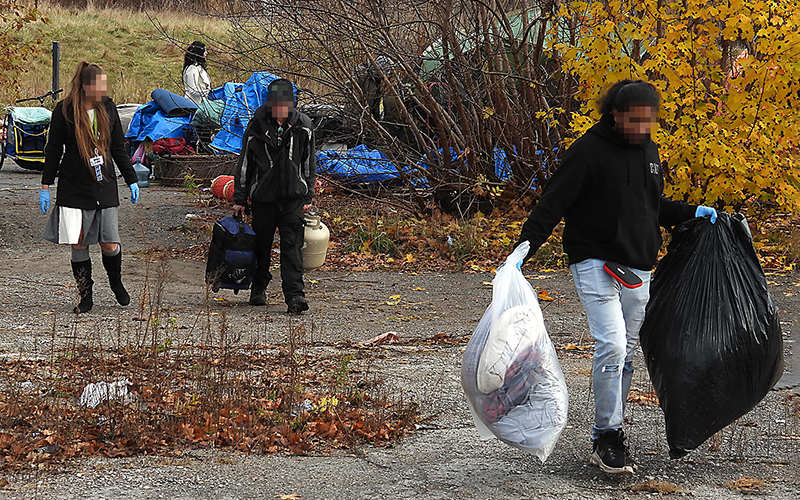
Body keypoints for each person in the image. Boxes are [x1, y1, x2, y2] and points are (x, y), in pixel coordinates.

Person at [514, 80, 718, 474]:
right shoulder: (588, 153)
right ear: (615, 115)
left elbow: (651, 205)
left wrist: (693, 212)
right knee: (611, 346)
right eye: (635, 120)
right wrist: (525, 248)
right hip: (594, 259)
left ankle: (612, 431)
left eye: (650, 121)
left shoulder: (650, 153)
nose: (643, 128)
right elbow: (552, 202)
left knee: (625, 352)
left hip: (637, 264)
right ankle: (606, 436)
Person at [40, 61, 140, 314]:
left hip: (103, 183)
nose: (103, 90)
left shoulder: (108, 107)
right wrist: (45, 184)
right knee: (78, 242)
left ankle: (115, 282)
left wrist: (131, 179)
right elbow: (53, 151)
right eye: (99, 86)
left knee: (109, 242)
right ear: (85, 87)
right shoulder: (63, 110)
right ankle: (85, 295)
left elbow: (118, 147)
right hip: (73, 185)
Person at [232, 78, 316, 314]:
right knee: (261, 246)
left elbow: (309, 163)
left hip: (293, 198)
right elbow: (245, 164)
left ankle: (295, 296)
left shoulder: (304, 126)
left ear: (291, 104)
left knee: (292, 247)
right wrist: (240, 199)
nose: (280, 110)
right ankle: (258, 288)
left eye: (284, 105)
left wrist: (308, 195)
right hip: (263, 199)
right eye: (275, 105)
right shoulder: (256, 126)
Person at [182, 41, 211, 105]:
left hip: (203, 102)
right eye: (204, 51)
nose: (206, 53)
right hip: (193, 104)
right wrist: (209, 93)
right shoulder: (192, 69)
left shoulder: (199, 67)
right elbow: (192, 90)